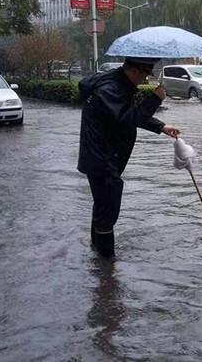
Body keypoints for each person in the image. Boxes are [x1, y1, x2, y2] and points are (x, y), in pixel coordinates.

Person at [77, 57, 180, 258]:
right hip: (102, 159)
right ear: (134, 71)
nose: (144, 80)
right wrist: (156, 98)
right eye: (144, 75)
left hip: (104, 156)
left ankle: (97, 261)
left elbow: (126, 115)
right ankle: (107, 268)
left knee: (102, 205)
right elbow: (129, 118)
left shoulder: (117, 84)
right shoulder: (110, 89)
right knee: (108, 209)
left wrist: (161, 127)